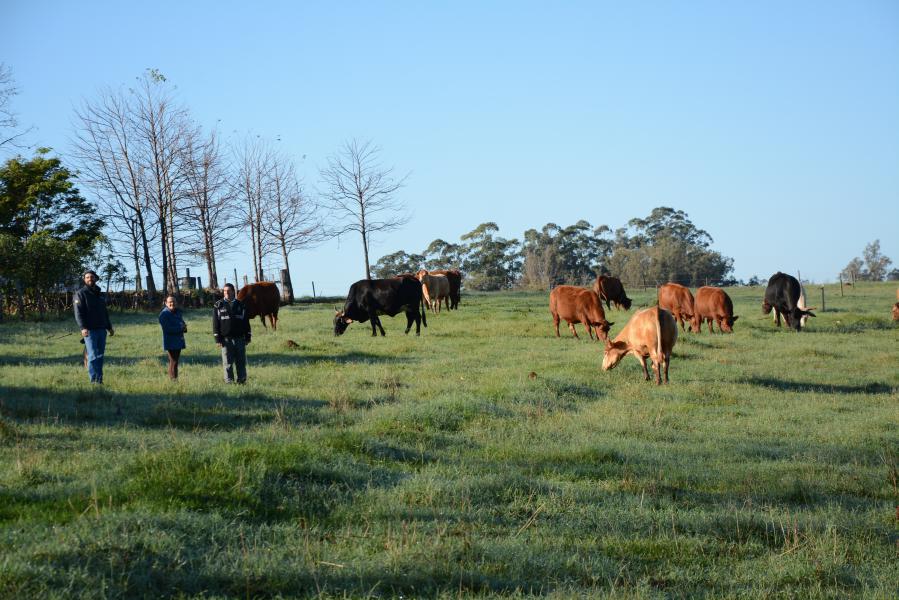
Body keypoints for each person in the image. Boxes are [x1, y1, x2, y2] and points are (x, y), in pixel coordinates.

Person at [73, 270, 114, 384]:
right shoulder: (80, 293)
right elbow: (78, 313)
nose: (89, 279)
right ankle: (93, 380)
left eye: (91, 277)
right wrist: (83, 328)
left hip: (101, 329)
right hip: (89, 330)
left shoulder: (100, 294)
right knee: (92, 356)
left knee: (100, 356)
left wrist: (109, 327)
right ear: (84, 280)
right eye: (87, 277)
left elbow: (104, 312)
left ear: (96, 278)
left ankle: (99, 380)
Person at [212, 283, 251, 384]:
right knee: (227, 362)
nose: (227, 293)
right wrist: (217, 338)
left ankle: (242, 380)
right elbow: (215, 324)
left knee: (241, 362)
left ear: (233, 291)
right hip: (226, 339)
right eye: (225, 291)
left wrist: (248, 336)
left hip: (240, 339)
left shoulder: (241, 305)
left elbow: (246, 322)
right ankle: (229, 381)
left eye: (229, 291)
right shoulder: (218, 305)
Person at [159, 295, 187, 380]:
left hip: (178, 340)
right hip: (170, 342)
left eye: (174, 301)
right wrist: (180, 328)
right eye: (170, 302)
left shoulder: (178, 311)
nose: (172, 303)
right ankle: (173, 380)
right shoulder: (163, 314)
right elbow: (167, 329)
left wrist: (184, 327)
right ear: (166, 303)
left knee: (175, 361)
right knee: (173, 361)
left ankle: (174, 379)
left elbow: (181, 322)